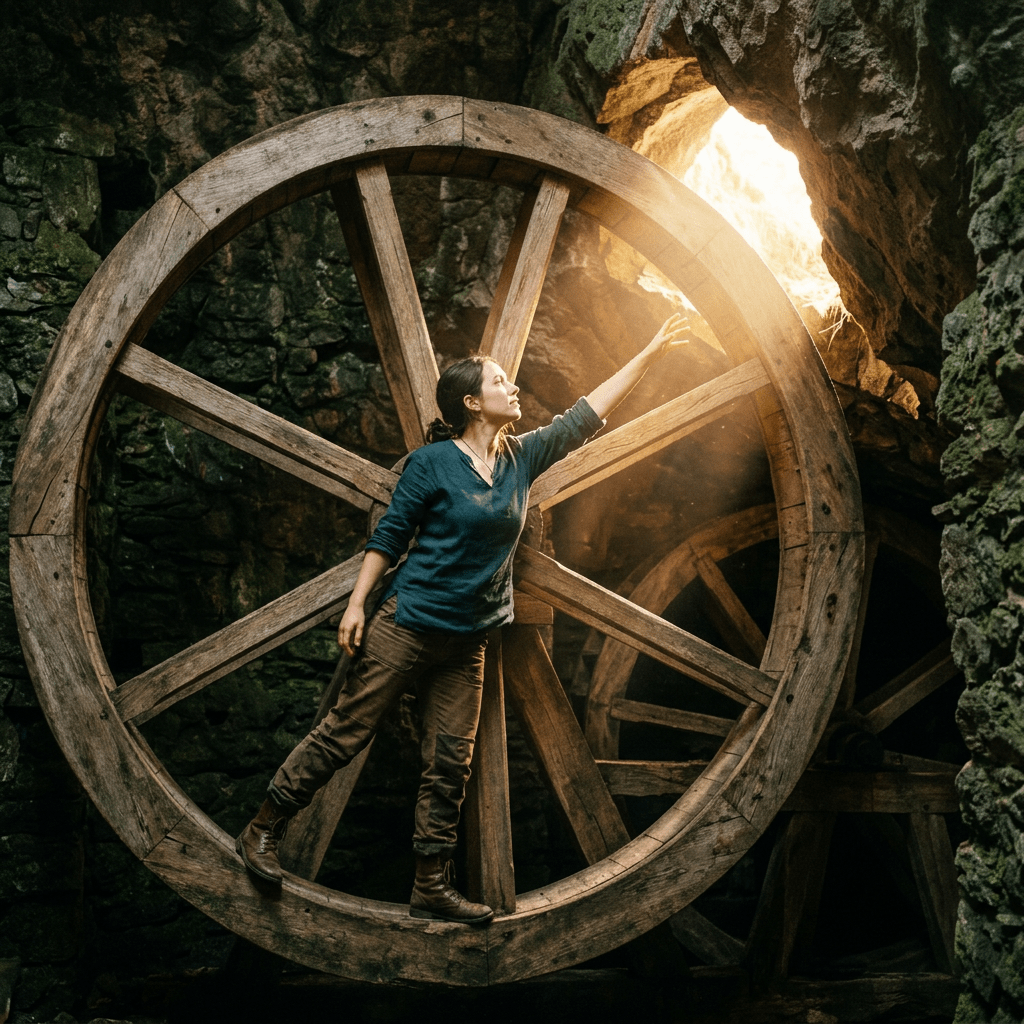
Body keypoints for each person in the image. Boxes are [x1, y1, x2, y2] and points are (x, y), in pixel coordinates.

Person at [236, 313, 692, 924]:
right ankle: (264, 827)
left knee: (450, 761)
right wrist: (355, 605)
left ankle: (431, 883)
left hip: (469, 641)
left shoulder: (520, 459)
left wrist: (652, 348)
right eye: (502, 381)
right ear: (473, 403)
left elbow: (588, 412)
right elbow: (390, 537)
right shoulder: (430, 464)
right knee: (345, 731)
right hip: (409, 625)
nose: (514, 387)